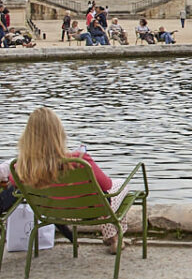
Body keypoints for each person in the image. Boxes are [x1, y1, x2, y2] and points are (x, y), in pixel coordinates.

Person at [7, 107, 130, 253]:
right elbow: (106, 184)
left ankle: (113, 237)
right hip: (89, 212)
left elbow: (13, 183)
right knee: (120, 185)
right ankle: (115, 237)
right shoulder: (78, 160)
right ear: (58, 134)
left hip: (53, 212)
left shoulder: (20, 167)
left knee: (100, 197)